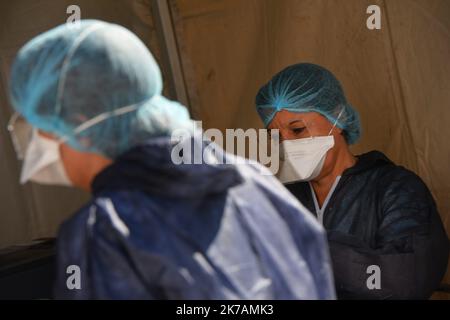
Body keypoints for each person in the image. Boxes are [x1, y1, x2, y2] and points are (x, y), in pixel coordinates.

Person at [8, 21, 335, 299]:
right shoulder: (256, 184)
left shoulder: (108, 231)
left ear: (83, 125)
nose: (37, 145)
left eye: (42, 127)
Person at [255, 63, 449, 299]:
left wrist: (312, 248)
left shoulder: (395, 189)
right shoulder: (281, 200)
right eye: (276, 137)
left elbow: (407, 280)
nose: (286, 145)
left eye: (297, 131)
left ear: (336, 119)